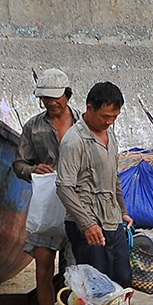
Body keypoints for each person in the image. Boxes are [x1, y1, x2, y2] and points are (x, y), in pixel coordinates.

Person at [14, 68, 76, 305]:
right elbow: (18, 164)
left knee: (78, 270)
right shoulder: (33, 127)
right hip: (46, 203)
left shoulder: (83, 125)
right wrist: (32, 170)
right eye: (46, 99)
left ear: (67, 94)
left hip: (77, 205)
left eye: (55, 97)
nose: (51, 103)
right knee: (42, 268)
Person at [56, 80, 133, 288]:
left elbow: (114, 177)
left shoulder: (111, 135)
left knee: (123, 281)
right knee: (97, 287)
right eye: (106, 117)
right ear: (89, 108)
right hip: (87, 223)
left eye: (114, 117)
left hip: (112, 220)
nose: (110, 122)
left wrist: (123, 211)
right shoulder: (74, 141)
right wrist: (87, 224)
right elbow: (64, 187)